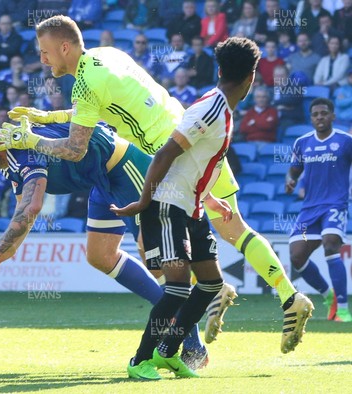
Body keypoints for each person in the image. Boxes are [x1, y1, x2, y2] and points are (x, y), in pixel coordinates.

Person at [0, 17, 312, 355]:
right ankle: (278, 296)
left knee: (163, 250)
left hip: (173, 154)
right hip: (191, 131)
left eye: (45, 52)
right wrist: (47, 118)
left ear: (64, 47)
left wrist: (30, 139)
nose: (43, 60)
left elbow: (75, 148)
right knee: (231, 227)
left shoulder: (86, 83)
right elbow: (92, 110)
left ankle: (182, 332)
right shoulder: (107, 55)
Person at [110, 37, 311, 380]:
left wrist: (210, 199)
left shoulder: (221, 111)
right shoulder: (212, 108)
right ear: (252, 78)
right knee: (177, 287)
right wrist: (145, 201)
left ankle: (168, 353)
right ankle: (139, 360)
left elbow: (195, 162)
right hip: (168, 205)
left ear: (220, 70)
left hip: (192, 207)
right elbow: (165, 154)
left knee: (209, 284)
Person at [0, 117, 208, 369]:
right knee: (100, 256)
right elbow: (25, 209)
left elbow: (32, 206)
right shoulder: (10, 161)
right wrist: (7, 248)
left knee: (157, 263)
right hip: (101, 181)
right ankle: (175, 315)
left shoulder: (21, 151)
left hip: (125, 169)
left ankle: (193, 344)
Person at [286, 98, 352, 323]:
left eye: (324, 113)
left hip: (335, 205)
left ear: (332, 116)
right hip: (310, 210)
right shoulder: (302, 143)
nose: (320, 117)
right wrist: (290, 180)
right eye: (315, 114)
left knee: (331, 244)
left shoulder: (345, 141)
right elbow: (295, 169)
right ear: (311, 118)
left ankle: (342, 309)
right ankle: (329, 296)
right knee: (296, 256)